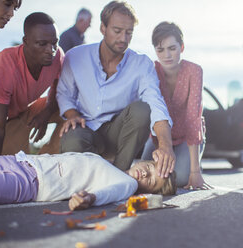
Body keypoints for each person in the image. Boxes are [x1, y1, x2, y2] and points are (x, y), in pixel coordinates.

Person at [57, 1, 175, 178]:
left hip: (119, 133)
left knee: (143, 110)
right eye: (117, 31)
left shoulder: (142, 64)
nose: (123, 39)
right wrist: (72, 115)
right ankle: (87, 181)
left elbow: (155, 102)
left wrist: (166, 145)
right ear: (102, 28)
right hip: (85, 127)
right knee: (72, 138)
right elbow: (64, 93)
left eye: (129, 33)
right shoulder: (75, 56)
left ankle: (120, 177)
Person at [141, 22, 210, 190]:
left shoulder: (194, 71)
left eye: (172, 48)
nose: (167, 55)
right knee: (145, 175)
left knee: (180, 179)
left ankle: (193, 163)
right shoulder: (150, 70)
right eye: (160, 50)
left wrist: (195, 172)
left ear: (182, 47)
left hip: (188, 138)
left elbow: (193, 119)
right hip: (160, 139)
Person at [0, 12, 64, 159]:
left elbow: (58, 87)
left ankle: (46, 161)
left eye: (54, 42)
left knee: (70, 108)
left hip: (22, 112)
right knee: (10, 168)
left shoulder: (58, 56)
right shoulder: (5, 64)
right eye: (42, 44)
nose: (51, 50)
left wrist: (47, 112)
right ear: (26, 41)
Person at [0, 151, 177, 210]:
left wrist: (90, 198)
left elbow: (111, 193)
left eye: (150, 181)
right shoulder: (111, 167)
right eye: (150, 169)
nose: (145, 174)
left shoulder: (128, 184)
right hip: (19, 160)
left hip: (29, 182)